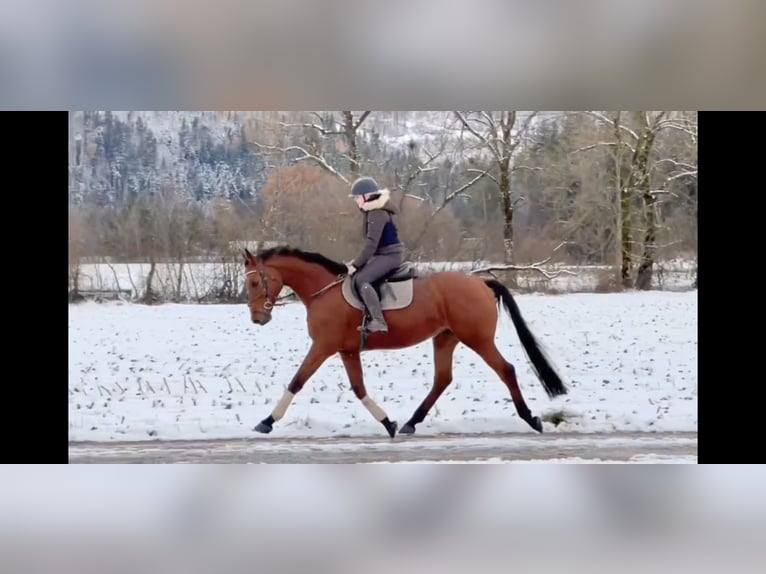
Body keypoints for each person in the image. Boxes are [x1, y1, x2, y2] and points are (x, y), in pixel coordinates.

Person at [346, 176, 405, 333]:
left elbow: (371, 244)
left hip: (389, 256)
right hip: (382, 254)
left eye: (357, 197)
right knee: (358, 276)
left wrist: (355, 264)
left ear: (367, 196)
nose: (356, 201)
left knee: (363, 279)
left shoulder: (376, 213)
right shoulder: (372, 211)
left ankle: (378, 321)